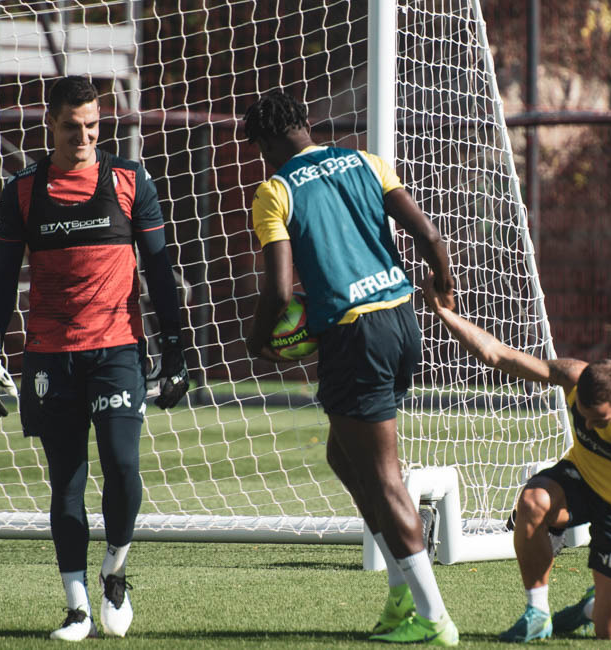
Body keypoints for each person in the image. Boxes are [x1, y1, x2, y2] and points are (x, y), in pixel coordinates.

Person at [241, 89, 458, 645]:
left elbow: (279, 290)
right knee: (344, 456)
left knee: (384, 478)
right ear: (304, 123)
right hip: (401, 322)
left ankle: (433, 618)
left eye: (259, 148)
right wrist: (443, 285)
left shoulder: (275, 190)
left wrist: (257, 341)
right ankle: (401, 594)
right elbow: (431, 237)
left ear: (267, 142)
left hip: (353, 334)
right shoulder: (366, 161)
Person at [0, 75, 189, 641]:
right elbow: (4, 276)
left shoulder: (129, 180)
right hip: (50, 356)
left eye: (93, 126)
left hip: (117, 348)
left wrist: (175, 346)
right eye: (72, 127)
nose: (84, 137)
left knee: (122, 466)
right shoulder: (24, 190)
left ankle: (114, 572)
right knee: (66, 482)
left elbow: (159, 268)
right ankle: (77, 609)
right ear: (50, 124)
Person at [421, 276, 611, 642]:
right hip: (582, 481)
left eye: (599, 420)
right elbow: (499, 355)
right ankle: (537, 613)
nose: (589, 426)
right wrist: (443, 313)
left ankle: (592, 608)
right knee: (532, 502)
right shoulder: (574, 376)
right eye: (584, 417)